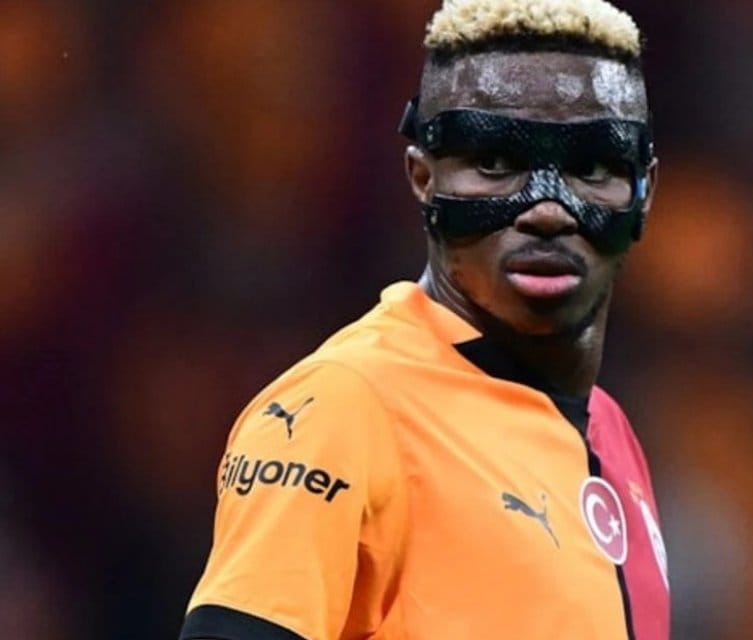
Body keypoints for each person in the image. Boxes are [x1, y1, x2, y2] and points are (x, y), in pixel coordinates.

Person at [178, 0, 669, 637]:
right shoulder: (344, 406)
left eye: (592, 167)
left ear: (644, 192)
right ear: (422, 177)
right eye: (495, 163)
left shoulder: (611, 431)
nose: (547, 210)